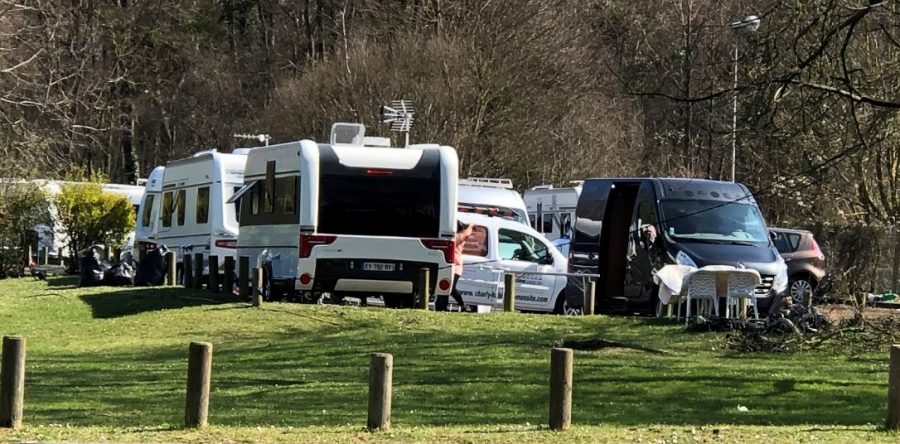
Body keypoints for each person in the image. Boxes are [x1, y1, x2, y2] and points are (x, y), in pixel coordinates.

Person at [436, 221, 475, 311]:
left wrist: (470, 226)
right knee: (443, 286)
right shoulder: (453, 237)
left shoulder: (458, 237)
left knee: (451, 288)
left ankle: (462, 305)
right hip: (447, 264)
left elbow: (466, 234)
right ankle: (441, 307)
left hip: (456, 266)